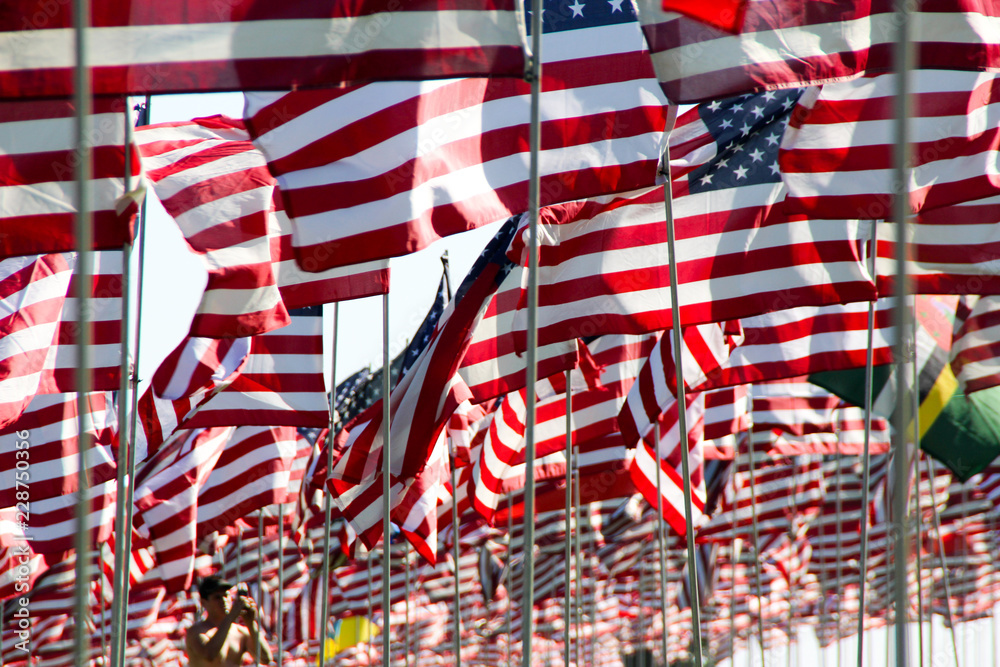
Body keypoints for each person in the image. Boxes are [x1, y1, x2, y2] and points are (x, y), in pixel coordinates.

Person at [186, 576, 274, 667]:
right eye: (217, 597)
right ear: (204, 602)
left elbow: (265, 659)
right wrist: (231, 616)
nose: (224, 600)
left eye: (226, 595)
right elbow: (209, 655)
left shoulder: (240, 632)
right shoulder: (196, 631)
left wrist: (251, 624)